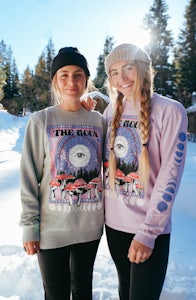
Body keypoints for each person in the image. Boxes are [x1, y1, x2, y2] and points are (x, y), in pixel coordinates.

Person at [82, 43, 188, 299]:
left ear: (142, 69)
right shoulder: (110, 111)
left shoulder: (170, 111)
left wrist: (148, 232)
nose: (122, 78)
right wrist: (83, 112)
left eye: (128, 68)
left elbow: (169, 176)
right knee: (125, 292)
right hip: (114, 227)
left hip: (148, 228)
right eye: (114, 73)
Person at [19, 46, 106, 300]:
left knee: (83, 292)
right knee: (56, 294)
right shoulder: (41, 120)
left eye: (78, 74)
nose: (72, 81)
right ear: (55, 81)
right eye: (64, 74)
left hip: (90, 228)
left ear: (87, 80)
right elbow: (28, 177)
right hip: (52, 230)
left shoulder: (98, 121)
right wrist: (29, 227)